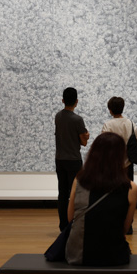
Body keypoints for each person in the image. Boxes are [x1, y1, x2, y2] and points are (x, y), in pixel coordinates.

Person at [66, 132, 137, 274]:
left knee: (91, 247)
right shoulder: (130, 188)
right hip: (114, 256)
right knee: (124, 251)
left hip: (79, 254)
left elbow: (70, 218)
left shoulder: (79, 181)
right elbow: (124, 229)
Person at [55, 87, 90, 231]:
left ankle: (63, 225)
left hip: (60, 159)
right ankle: (75, 224)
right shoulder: (77, 119)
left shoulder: (58, 116)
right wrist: (86, 135)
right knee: (76, 193)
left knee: (63, 193)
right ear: (77, 101)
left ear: (63, 100)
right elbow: (83, 142)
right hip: (74, 160)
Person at [101, 96, 137, 181]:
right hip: (128, 164)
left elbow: (103, 146)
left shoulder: (108, 125)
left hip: (112, 165)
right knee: (128, 188)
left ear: (110, 110)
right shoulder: (131, 123)